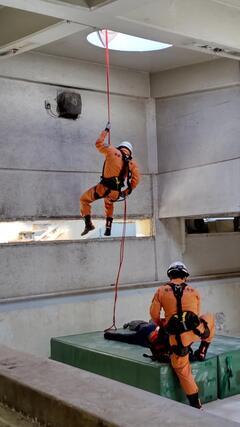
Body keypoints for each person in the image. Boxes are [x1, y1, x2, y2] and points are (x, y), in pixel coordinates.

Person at [150, 261, 215, 409]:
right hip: (196, 332)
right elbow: (196, 315)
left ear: (170, 275)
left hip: (178, 340)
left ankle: (196, 406)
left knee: (183, 371)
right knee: (209, 317)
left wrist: (163, 323)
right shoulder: (194, 291)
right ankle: (203, 350)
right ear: (185, 276)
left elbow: (154, 315)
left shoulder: (161, 291)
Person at [80, 123, 140, 236]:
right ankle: (108, 228)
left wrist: (106, 130)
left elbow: (98, 144)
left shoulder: (112, 150)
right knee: (109, 203)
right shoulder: (132, 163)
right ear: (130, 152)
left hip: (103, 187)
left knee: (84, 200)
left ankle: (88, 224)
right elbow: (136, 180)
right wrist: (126, 192)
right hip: (116, 193)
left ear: (121, 147)